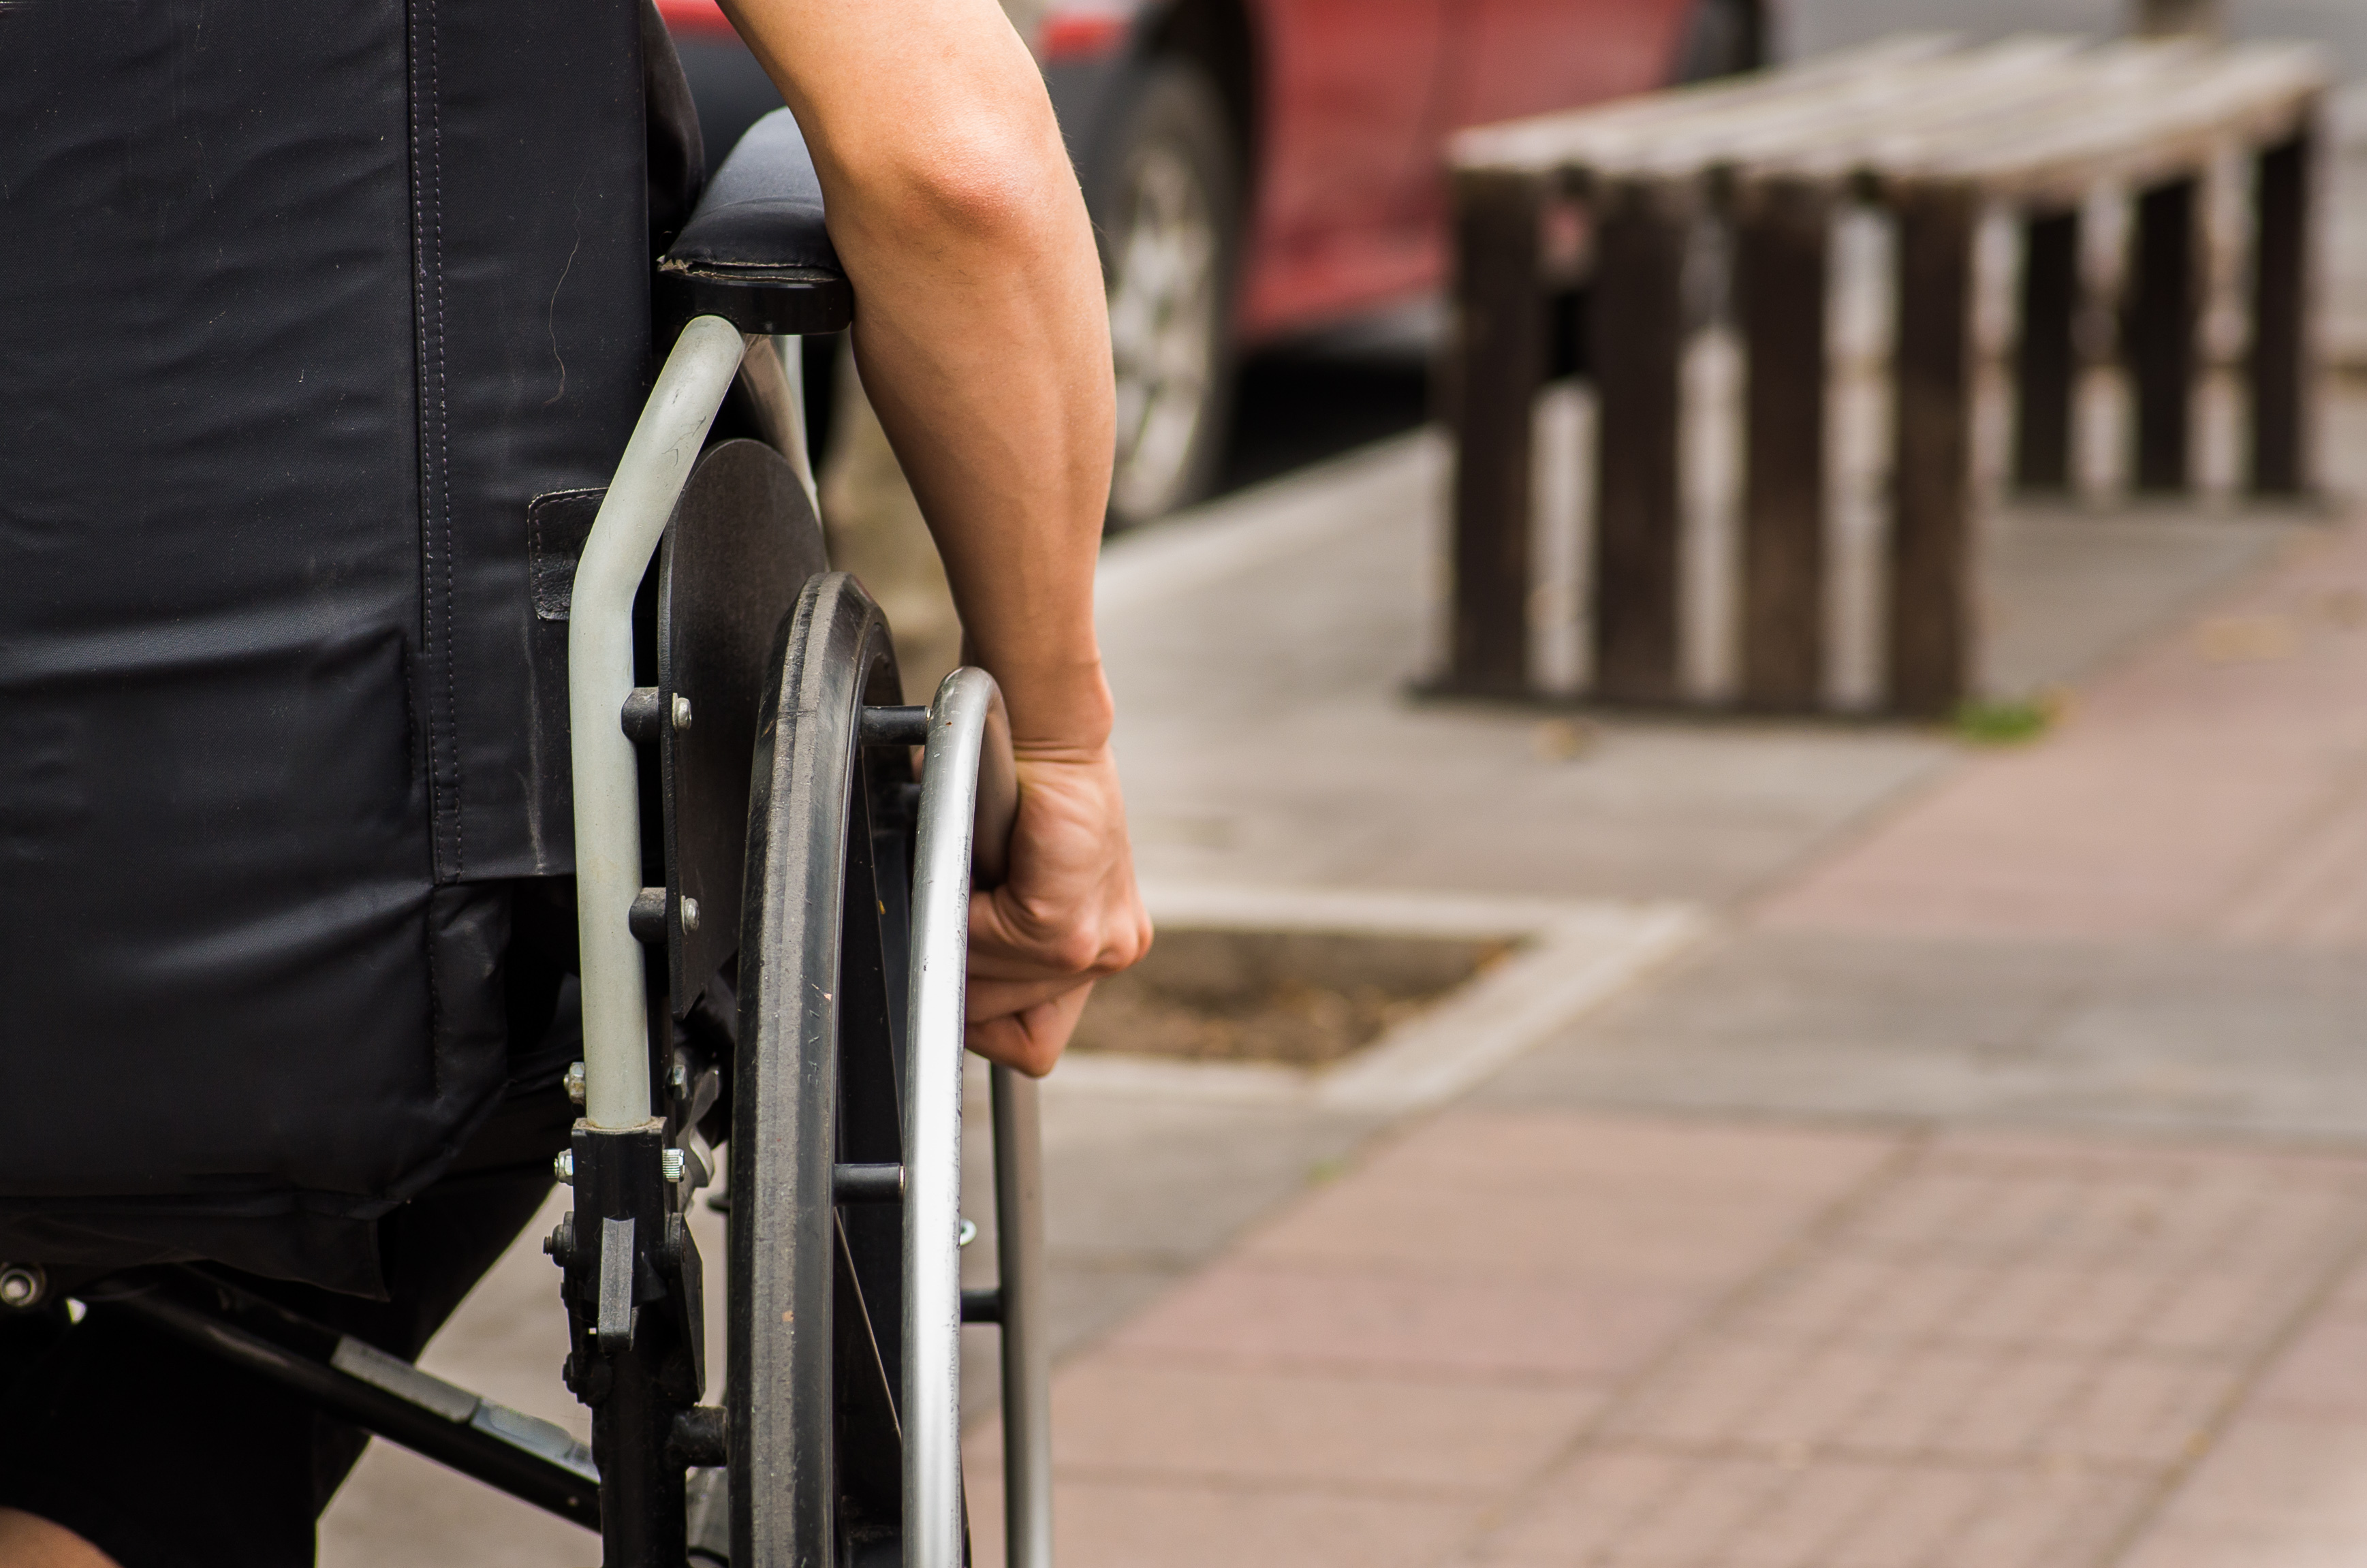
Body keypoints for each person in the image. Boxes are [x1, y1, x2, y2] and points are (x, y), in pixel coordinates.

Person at [0, 0, 1146, 1560]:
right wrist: (1062, 747)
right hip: (355, 917)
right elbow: (957, 169)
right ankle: (112, 1497)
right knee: (521, 961)